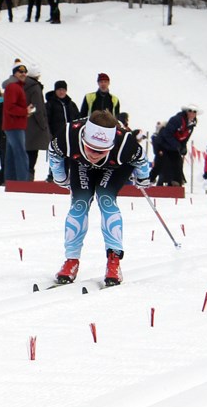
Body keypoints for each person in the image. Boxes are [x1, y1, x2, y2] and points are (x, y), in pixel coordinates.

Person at [48, 110, 151, 287]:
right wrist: (59, 176)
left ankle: (114, 262)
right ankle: (71, 261)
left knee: (106, 198)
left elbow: (141, 160)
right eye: (91, 148)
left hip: (115, 167)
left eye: (101, 151)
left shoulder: (125, 143)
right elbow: (54, 153)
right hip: (81, 163)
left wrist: (143, 178)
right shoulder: (68, 134)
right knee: (79, 204)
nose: (95, 155)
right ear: (83, 140)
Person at [152, 105, 199, 186]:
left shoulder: (191, 125)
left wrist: (183, 147)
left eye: (194, 112)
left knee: (178, 165)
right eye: (190, 111)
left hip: (173, 147)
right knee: (161, 165)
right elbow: (167, 134)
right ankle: (151, 183)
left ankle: (175, 184)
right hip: (163, 145)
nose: (192, 113)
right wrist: (177, 145)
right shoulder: (176, 120)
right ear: (186, 112)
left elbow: (185, 139)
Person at [44, 80, 79, 181]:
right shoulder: (50, 104)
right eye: (59, 90)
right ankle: (52, 177)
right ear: (55, 91)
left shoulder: (71, 105)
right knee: (56, 157)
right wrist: (49, 134)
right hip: (56, 135)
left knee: (70, 157)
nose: (61, 92)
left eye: (63, 90)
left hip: (70, 136)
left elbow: (77, 119)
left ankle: (68, 177)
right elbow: (46, 120)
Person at [2, 62, 31, 181]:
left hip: (13, 125)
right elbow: (10, 107)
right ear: (14, 73)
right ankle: (22, 181)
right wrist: (25, 111)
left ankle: (10, 181)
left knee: (12, 156)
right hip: (14, 126)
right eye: (20, 72)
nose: (23, 74)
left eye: (25, 72)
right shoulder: (13, 87)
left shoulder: (16, 86)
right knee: (20, 154)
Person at [23, 61, 49, 180]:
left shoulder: (22, 85)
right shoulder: (35, 88)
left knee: (25, 154)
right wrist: (43, 124)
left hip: (23, 125)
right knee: (32, 155)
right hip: (34, 127)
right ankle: (28, 179)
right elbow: (37, 108)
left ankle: (22, 178)